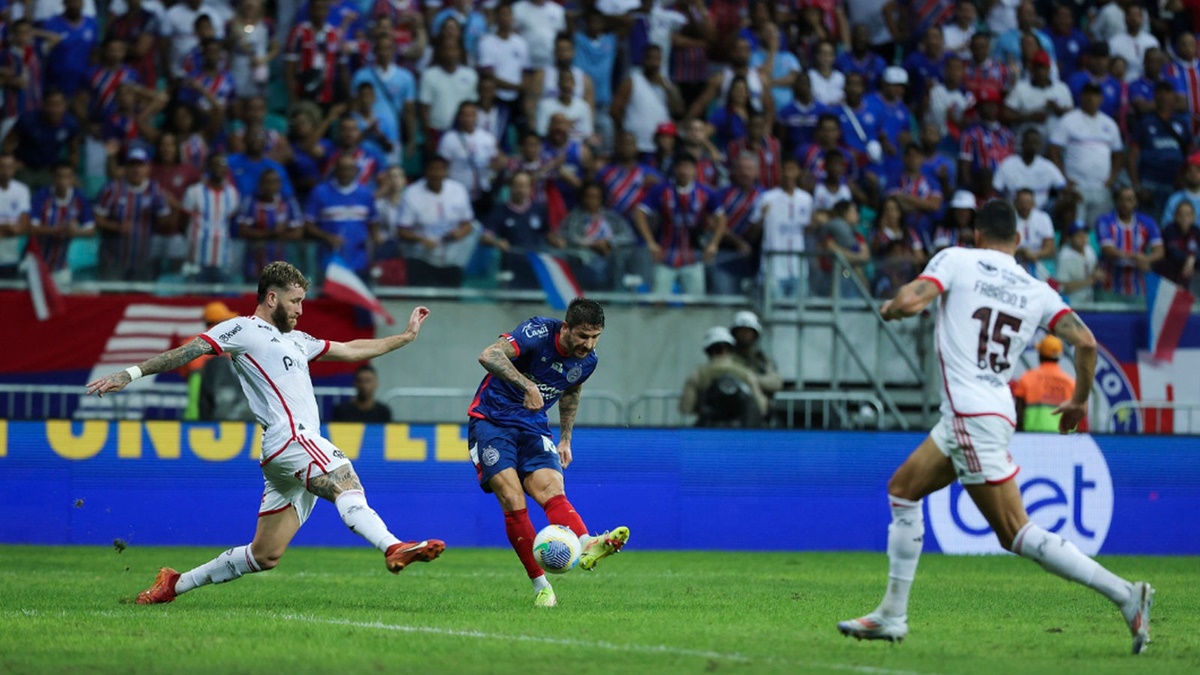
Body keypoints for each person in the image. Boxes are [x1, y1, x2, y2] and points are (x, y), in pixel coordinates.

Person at [836, 199, 1154, 654]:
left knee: (1015, 532)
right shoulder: (1035, 288)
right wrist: (1080, 399)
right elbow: (1085, 341)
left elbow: (912, 300)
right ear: (1018, 241)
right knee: (903, 489)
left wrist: (891, 307)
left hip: (970, 413)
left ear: (978, 235)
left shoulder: (957, 259)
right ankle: (891, 615)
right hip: (985, 410)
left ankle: (1127, 595)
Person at [86, 262, 445, 604]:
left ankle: (175, 584)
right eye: (295, 301)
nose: (300, 310)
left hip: (283, 454)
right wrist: (129, 374)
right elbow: (189, 350)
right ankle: (392, 546)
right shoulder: (242, 329)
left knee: (264, 554)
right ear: (272, 298)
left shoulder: (298, 340)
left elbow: (350, 350)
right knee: (345, 483)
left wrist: (405, 337)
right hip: (293, 439)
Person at [468, 298, 629, 608]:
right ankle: (541, 586)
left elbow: (572, 389)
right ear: (566, 327)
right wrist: (526, 384)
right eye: (583, 335)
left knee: (552, 489)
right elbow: (488, 355)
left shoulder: (588, 361)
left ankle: (589, 544)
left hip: (534, 426)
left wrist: (566, 438)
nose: (588, 344)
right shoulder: (538, 331)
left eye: (595, 337)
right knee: (513, 499)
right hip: (492, 421)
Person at [679, 326, 767, 428]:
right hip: (740, 431)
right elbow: (761, 408)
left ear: (708, 350)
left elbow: (685, 408)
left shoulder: (698, 375)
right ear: (731, 349)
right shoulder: (746, 374)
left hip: (708, 431)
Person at [1012, 335, 1078, 432]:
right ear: (1059, 357)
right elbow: (1076, 415)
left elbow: (1018, 411)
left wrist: (1019, 436)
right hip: (1064, 440)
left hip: (1032, 438)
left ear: (1040, 355)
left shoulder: (1027, 378)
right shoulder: (1070, 383)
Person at [729, 311, 782, 403]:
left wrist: (752, 379)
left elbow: (776, 382)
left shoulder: (762, 360)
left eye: (748, 331)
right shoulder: (727, 358)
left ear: (755, 335)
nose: (744, 335)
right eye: (741, 331)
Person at [1055, 221, 1105, 305]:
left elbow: (1095, 269)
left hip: (1090, 300)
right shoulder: (1064, 256)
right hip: (1072, 303)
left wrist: (1097, 273)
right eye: (1078, 235)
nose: (1083, 237)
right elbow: (1062, 287)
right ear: (1070, 238)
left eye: (1085, 234)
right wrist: (1089, 281)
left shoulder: (1089, 250)